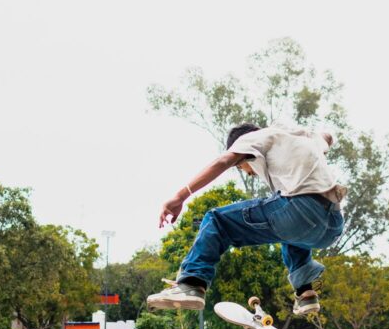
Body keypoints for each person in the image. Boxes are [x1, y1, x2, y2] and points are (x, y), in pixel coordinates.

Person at [147, 123, 345, 316]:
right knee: (289, 232)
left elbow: (222, 162)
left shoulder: (253, 138)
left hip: (299, 210)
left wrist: (180, 196)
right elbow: (328, 136)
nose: (248, 172)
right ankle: (305, 292)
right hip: (333, 225)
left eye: (241, 167)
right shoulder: (304, 136)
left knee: (217, 220)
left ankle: (192, 283)